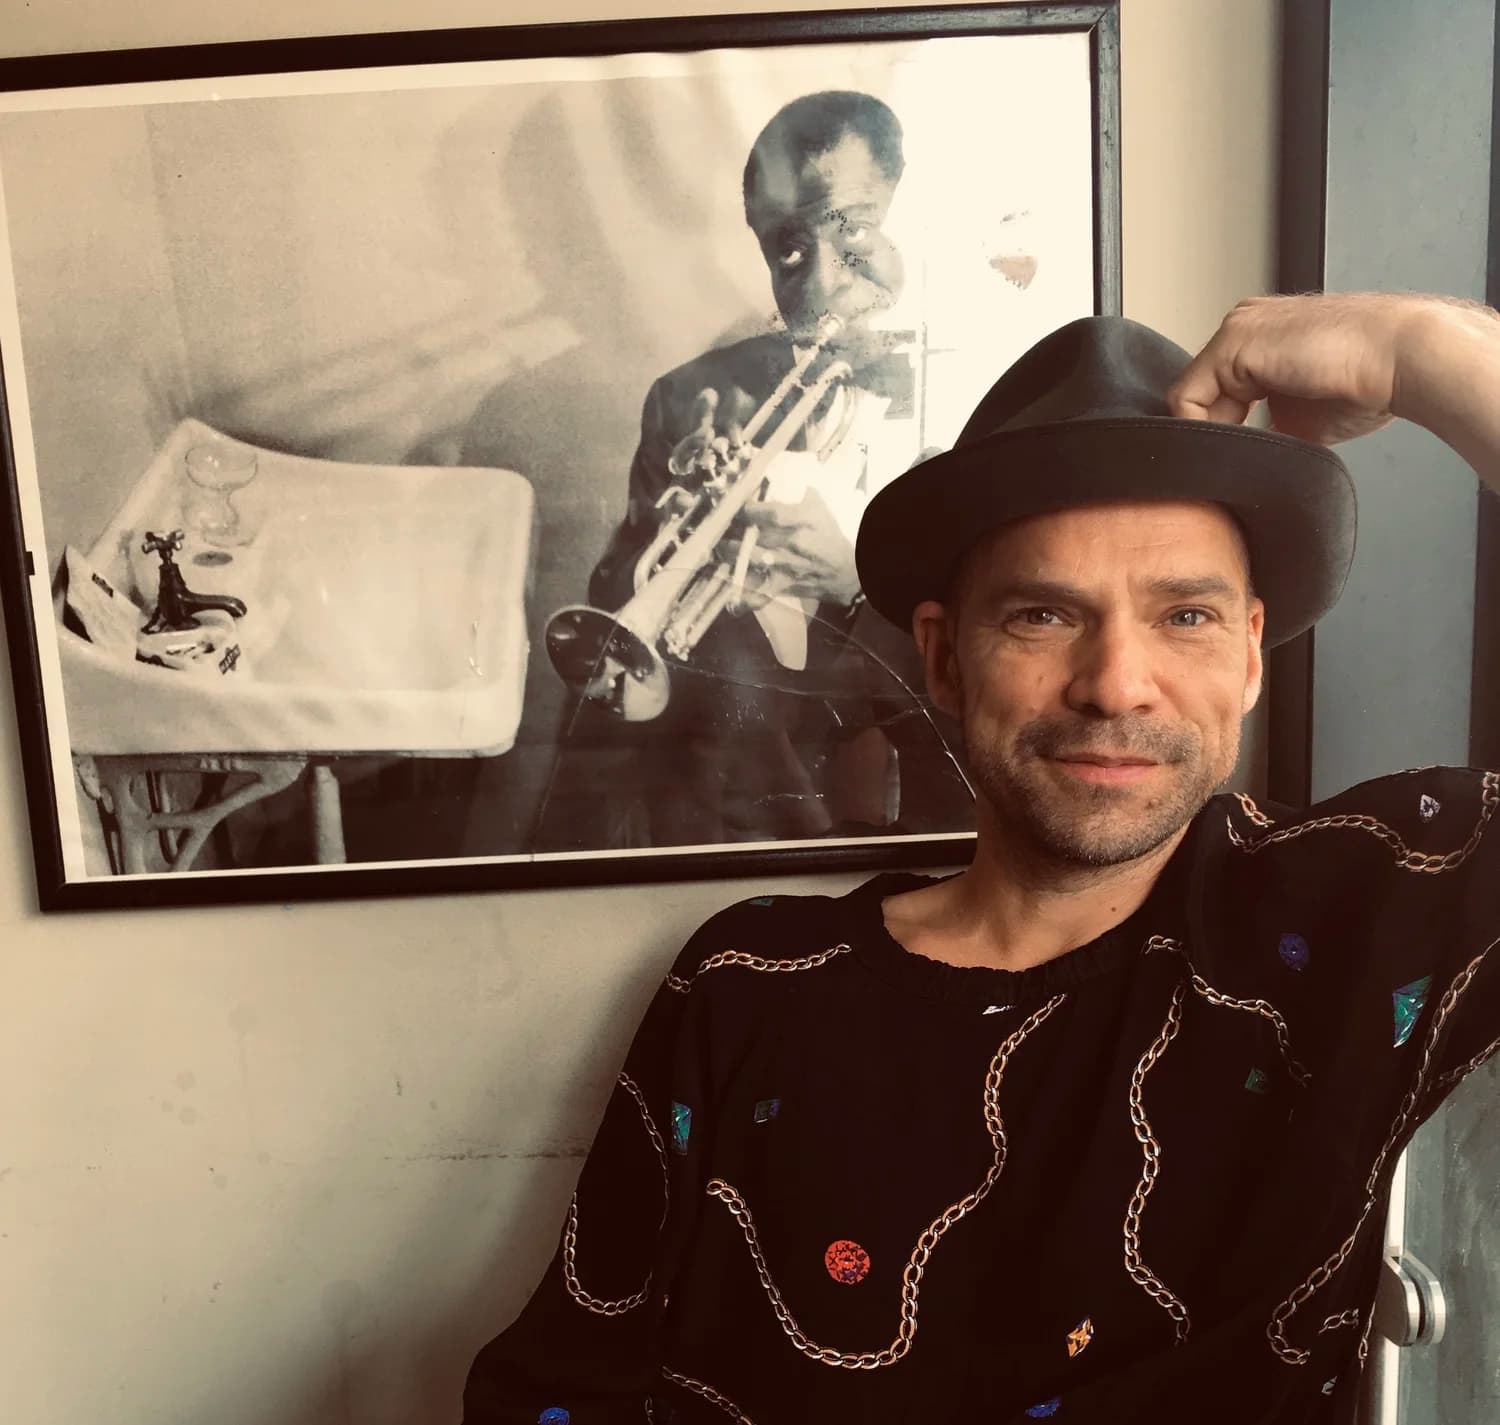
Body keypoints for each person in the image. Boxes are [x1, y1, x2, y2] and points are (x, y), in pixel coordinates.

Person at [461, 291, 1500, 1423]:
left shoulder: (1360, 911)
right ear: (945, 662)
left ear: (1251, 656)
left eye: (1185, 617)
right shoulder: (750, 982)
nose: (1115, 683)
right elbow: (560, 1388)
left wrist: (1428, 355)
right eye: (1044, 617)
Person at [537, 90, 971, 850]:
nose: (820, 284)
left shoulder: (980, 402)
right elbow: (612, 614)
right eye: (788, 251)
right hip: (724, 806)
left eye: (854, 231)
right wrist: (667, 536)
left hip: (919, 812)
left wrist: (853, 584)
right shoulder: (688, 398)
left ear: (914, 213)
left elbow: (994, 684)